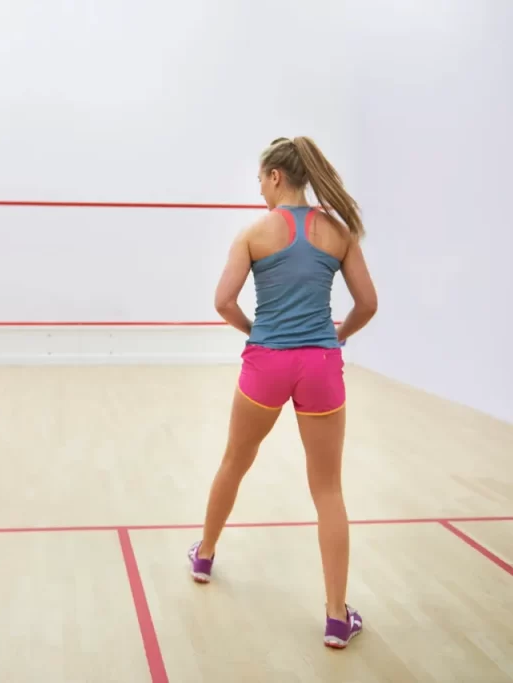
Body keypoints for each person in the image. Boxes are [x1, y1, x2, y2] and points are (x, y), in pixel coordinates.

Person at [189, 137, 378, 649]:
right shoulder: (339, 233)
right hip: (320, 367)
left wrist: (256, 328)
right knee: (329, 491)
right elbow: (368, 304)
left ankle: (204, 556)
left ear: (275, 176)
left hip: (266, 364)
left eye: (259, 181)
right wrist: (337, 335)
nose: (259, 190)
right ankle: (337, 619)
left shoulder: (254, 233)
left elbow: (223, 301)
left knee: (234, 461)